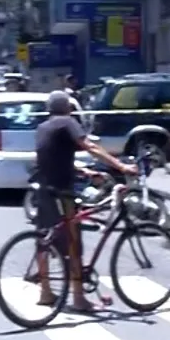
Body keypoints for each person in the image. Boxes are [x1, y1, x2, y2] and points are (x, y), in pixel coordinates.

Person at [33, 91, 135, 313]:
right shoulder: (67, 122)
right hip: (62, 192)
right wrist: (121, 166)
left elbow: (51, 157)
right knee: (73, 242)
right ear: (68, 108)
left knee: (44, 238)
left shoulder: (44, 127)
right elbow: (90, 146)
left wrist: (83, 170)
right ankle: (79, 298)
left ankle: (45, 292)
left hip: (44, 190)